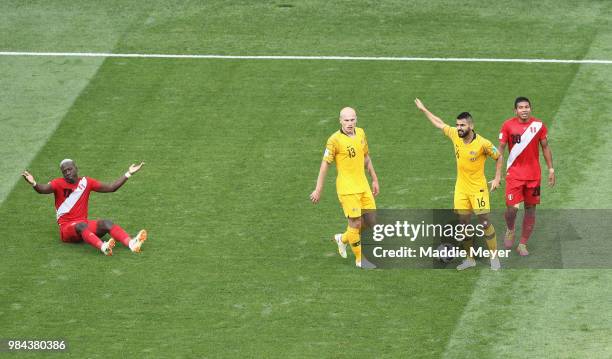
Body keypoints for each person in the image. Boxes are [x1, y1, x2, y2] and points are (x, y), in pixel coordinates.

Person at [415, 98, 503, 270]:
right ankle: (470, 259)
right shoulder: (455, 134)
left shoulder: (483, 143)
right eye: (457, 125)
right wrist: (424, 109)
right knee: (463, 225)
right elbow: (440, 124)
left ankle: (494, 257)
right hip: (461, 190)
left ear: (470, 126)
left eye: (462, 125)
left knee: (484, 223)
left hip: (478, 190)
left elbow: (498, 155)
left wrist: (498, 177)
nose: (459, 128)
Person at [22, 159, 147, 256]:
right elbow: (43, 190)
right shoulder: (57, 183)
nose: (67, 173)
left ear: (76, 169)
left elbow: (111, 187)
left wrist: (128, 173)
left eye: (69, 169)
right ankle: (103, 247)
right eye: (64, 171)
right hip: (67, 230)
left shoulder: (86, 182)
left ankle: (131, 244)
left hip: (84, 225)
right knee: (81, 226)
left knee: (106, 223)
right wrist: (34, 183)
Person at [310, 107, 379, 268]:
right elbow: (325, 164)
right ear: (340, 121)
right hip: (347, 189)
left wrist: (374, 179)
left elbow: (366, 158)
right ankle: (360, 259)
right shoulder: (334, 140)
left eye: (352, 120)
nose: (349, 123)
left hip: (363, 186)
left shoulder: (361, 133)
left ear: (356, 120)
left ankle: (342, 239)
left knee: (370, 222)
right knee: (355, 223)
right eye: (346, 120)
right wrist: (318, 189)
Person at [498, 97, 555, 256]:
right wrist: (498, 173)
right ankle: (510, 229)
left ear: (531, 108)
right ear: (515, 110)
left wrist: (551, 169)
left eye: (527, 107)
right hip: (514, 175)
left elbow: (545, 147)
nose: (524, 110)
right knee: (512, 209)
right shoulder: (508, 125)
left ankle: (522, 243)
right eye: (521, 107)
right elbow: (500, 150)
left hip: (533, 177)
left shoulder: (539, 126)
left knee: (530, 209)